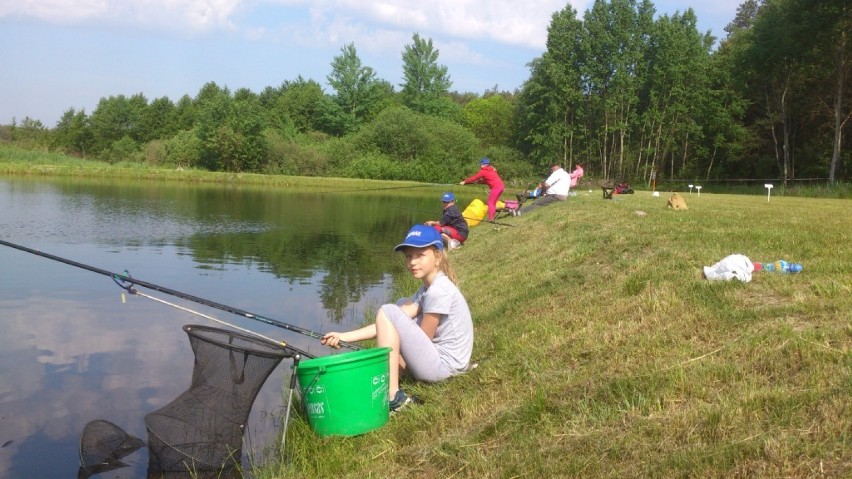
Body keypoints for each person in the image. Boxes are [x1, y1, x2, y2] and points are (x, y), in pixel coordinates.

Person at [321, 224, 474, 412]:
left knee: (389, 310)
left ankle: (393, 397)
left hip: (444, 369)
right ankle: (389, 375)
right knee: (401, 305)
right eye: (409, 256)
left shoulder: (438, 292)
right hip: (445, 364)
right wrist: (345, 336)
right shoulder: (430, 286)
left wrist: (399, 353)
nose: (412, 262)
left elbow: (423, 339)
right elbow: (386, 324)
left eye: (420, 255)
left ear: (437, 257)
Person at [459, 157, 504, 222]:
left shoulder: (483, 171)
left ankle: (491, 218)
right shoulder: (492, 169)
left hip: (496, 188)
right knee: (493, 202)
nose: (480, 165)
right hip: (501, 186)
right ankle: (492, 217)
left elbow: (474, 177)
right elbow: (489, 178)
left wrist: (464, 182)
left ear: (483, 164)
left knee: (490, 202)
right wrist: (480, 182)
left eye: (481, 164)